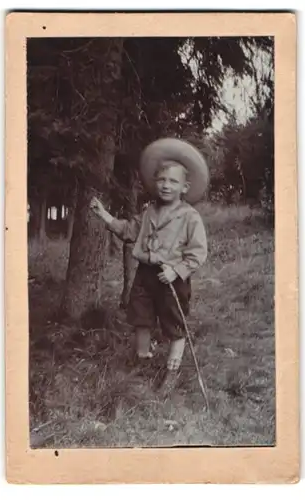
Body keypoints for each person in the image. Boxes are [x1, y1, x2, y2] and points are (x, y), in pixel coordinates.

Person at [91, 141, 208, 394]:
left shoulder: (189, 217)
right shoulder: (148, 212)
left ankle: (172, 370)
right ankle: (142, 360)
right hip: (145, 275)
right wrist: (105, 217)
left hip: (172, 278)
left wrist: (176, 270)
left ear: (185, 187)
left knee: (174, 323)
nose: (166, 185)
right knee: (141, 318)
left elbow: (198, 252)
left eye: (173, 182)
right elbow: (130, 231)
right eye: (162, 180)